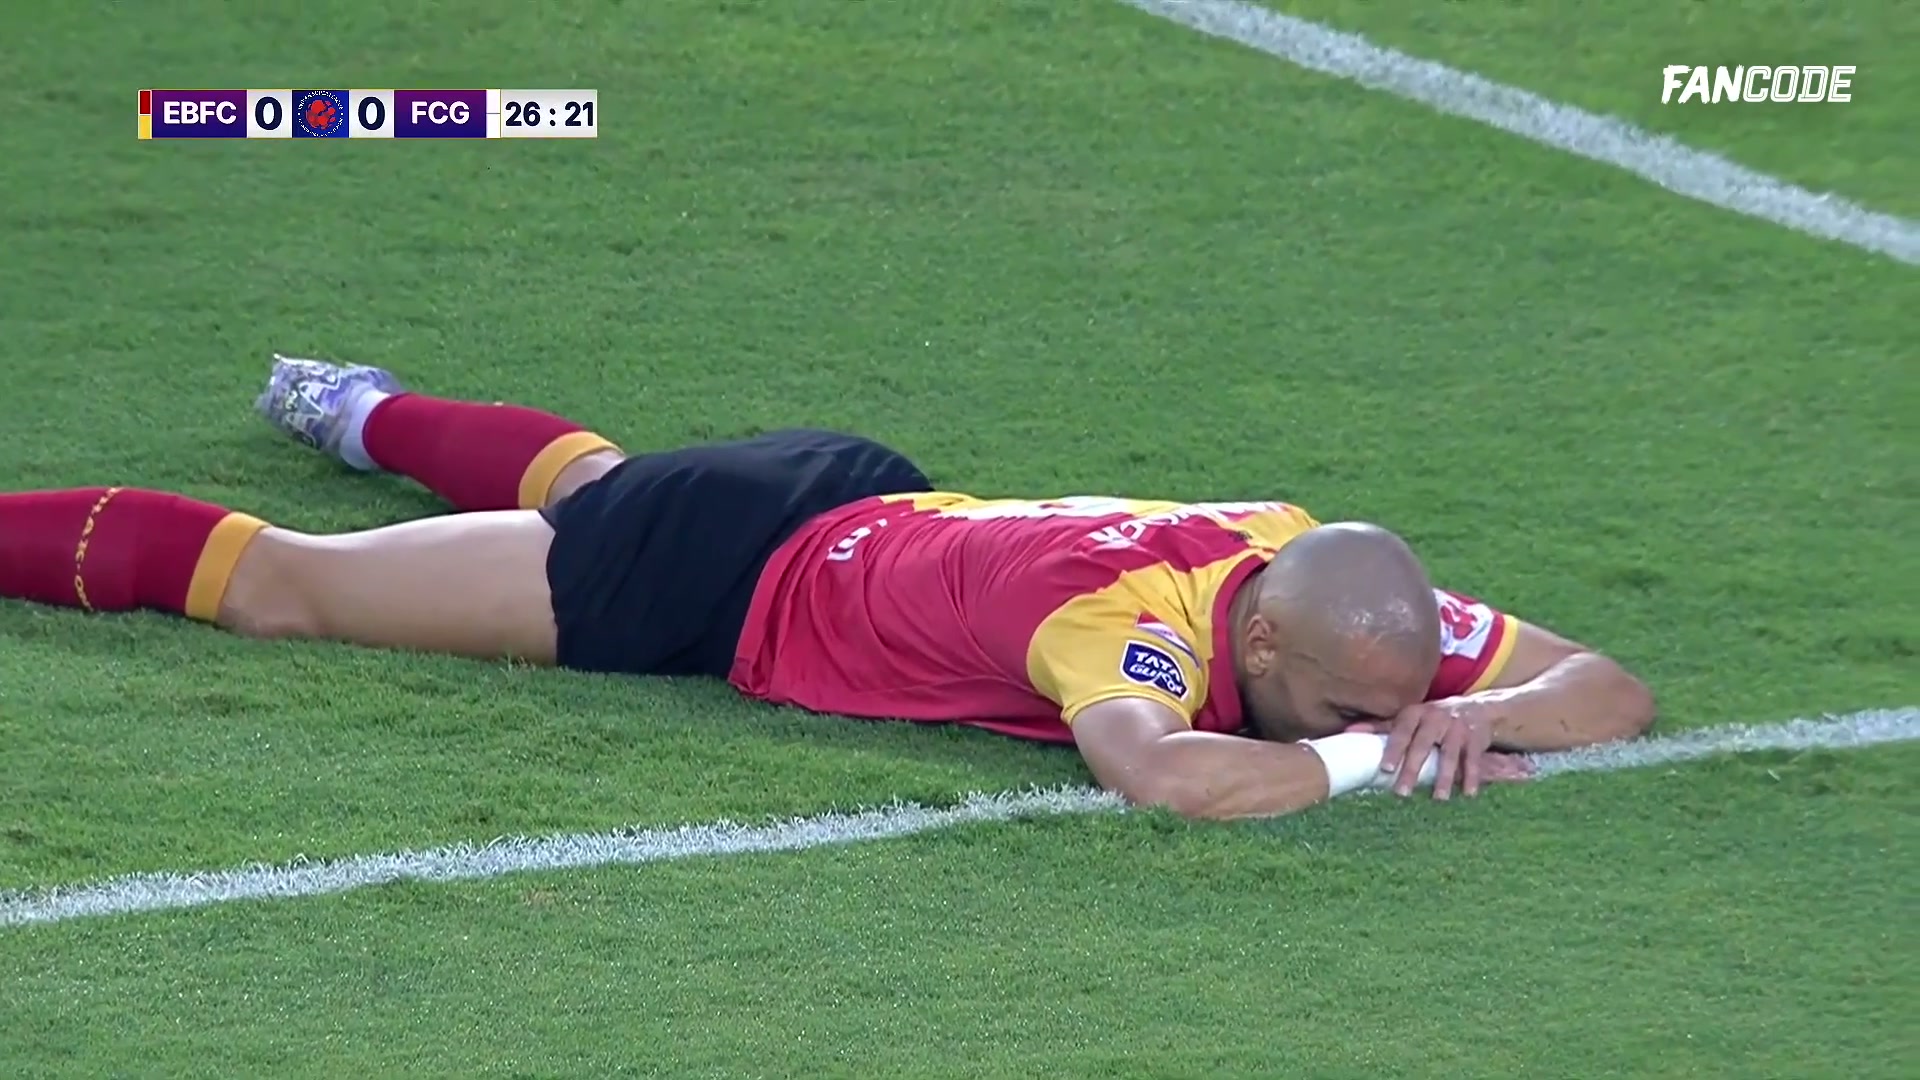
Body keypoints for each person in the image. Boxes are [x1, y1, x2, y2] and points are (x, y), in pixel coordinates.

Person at [0, 357, 1655, 819]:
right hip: (726, 575)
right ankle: (351, 419)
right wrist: (1372, 759)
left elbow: (1611, 686)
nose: (1389, 709)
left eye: (1403, 694)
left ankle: (358, 406)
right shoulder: (1128, 631)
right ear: (1265, 633)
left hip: (857, 493)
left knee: (599, 484)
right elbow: (1164, 779)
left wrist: (1488, 707)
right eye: (1350, 702)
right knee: (290, 591)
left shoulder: (1320, 584)